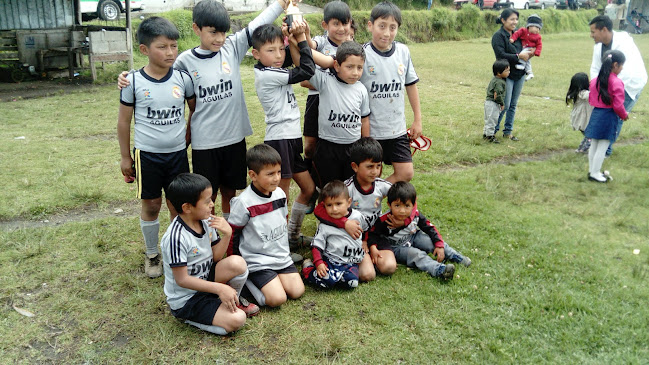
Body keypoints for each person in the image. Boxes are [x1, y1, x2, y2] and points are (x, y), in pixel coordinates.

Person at [118, 0, 292, 218]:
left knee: (231, 191)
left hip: (234, 139)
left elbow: (258, 22)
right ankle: (208, 234)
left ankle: (230, 231)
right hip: (204, 144)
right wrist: (128, 77)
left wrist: (281, 4)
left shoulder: (232, 47)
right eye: (212, 32)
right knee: (207, 194)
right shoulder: (184, 61)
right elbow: (157, 70)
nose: (219, 38)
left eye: (223, 32)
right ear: (196, 29)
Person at [117, 17, 196, 278]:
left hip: (177, 155)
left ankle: (177, 254)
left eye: (173, 46)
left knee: (178, 206)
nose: (170, 52)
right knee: (151, 205)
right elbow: (123, 121)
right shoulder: (133, 82)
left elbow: (194, 112)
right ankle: (152, 254)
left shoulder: (183, 79)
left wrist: (185, 137)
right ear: (144, 50)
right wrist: (125, 157)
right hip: (147, 156)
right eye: (162, 47)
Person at [161, 173, 258, 336]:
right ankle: (185, 316)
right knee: (238, 320)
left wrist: (227, 234)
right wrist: (219, 287)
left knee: (237, 263)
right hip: (187, 299)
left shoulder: (207, 221)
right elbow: (182, 280)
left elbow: (215, 258)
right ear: (187, 207)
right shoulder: (175, 238)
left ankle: (230, 301)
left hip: (205, 281)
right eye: (207, 202)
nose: (212, 204)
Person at [251, 22, 316, 249]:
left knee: (308, 189)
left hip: (290, 138)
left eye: (281, 48)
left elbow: (291, 59)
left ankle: (292, 236)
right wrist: (301, 39)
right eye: (271, 50)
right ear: (256, 54)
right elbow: (307, 70)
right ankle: (280, 246)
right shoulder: (267, 74)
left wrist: (291, 35)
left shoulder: (271, 66)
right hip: (279, 139)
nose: (279, 55)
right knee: (282, 196)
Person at [228, 144, 305, 307]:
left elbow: (283, 220)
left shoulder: (280, 194)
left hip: (281, 257)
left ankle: (273, 281)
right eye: (270, 174)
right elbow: (233, 235)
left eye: (278, 172)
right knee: (277, 299)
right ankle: (246, 281)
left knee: (297, 291)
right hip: (258, 261)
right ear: (253, 175)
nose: (277, 178)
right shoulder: (243, 203)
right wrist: (237, 265)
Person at [313, 137, 394, 281]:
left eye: (378, 166)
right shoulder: (346, 188)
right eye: (369, 166)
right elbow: (319, 210)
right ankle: (364, 259)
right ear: (355, 166)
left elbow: (407, 197)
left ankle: (371, 254)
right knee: (366, 275)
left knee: (388, 267)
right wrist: (344, 223)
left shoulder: (382, 186)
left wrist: (405, 218)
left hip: (374, 234)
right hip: (353, 236)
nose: (375, 171)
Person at [360, 1, 422, 183]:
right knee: (371, 176)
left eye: (392, 27)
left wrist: (417, 120)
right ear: (370, 25)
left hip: (397, 129)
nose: (387, 33)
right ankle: (370, 208)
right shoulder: (362, 54)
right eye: (382, 26)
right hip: (371, 131)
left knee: (405, 173)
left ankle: (376, 198)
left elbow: (411, 85)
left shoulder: (403, 51)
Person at [367, 182, 472, 280]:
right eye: (397, 205)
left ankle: (456, 256)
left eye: (407, 206)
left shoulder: (415, 214)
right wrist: (373, 248)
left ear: (413, 205)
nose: (402, 211)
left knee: (429, 242)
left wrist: (439, 245)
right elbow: (372, 234)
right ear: (389, 205)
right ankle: (440, 270)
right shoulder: (384, 220)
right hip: (397, 247)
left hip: (413, 236)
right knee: (417, 254)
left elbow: (429, 228)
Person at [304, 41, 370, 188]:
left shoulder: (361, 90)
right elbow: (305, 64)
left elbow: (364, 119)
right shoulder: (325, 81)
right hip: (327, 147)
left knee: (350, 188)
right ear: (337, 65)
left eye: (359, 67)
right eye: (349, 67)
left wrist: (365, 145)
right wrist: (301, 42)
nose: (355, 72)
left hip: (352, 148)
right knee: (327, 189)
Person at [301, 1, 353, 165]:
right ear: (325, 25)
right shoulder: (322, 41)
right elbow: (310, 46)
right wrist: (306, 34)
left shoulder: (351, 47)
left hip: (339, 102)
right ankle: (310, 181)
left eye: (344, 23)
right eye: (335, 23)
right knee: (309, 146)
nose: (341, 28)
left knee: (329, 144)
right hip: (316, 98)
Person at [589, 15, 647, 156]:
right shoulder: (598, 47)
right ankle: (593, 145)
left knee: (615, 115)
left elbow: (627, 72)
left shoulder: (624, 43)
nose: (591, 35)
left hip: (629, 84)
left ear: (603, 30)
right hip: (609, 85)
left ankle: (605, 151)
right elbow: (595, 69)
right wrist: (597, 89)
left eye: (593, 32)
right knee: (602, 114)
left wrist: (608, 91)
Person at [302, 180, 367, 289]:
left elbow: (367, 228)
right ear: (324, 205)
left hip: (351, 263)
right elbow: (316, 246)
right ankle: (308, 269)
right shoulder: (325, 225)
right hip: (332, 261)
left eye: (338, 204)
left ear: (349, 202)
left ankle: (334, 277)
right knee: (328, 280)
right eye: (329, 205)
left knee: (352, 282)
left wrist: (365, 241)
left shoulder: (358, 216)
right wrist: (319, 263)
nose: (334, 209)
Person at [584, 50, 628, 183]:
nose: (622, 68)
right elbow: (618, 105)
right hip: (608, 117)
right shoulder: (617, 82)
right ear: (615, 65)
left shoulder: (595, 80)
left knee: (594, 144)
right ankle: (596, 173)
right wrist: (624, 115)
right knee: (603, 147)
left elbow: (591, 98)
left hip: (596, 114)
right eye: (621, 65)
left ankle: (592, 170)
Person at [491, 8, 534, 141]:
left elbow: (526, 46)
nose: (514, 22)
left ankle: (508, 131)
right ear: (503, 20)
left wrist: (531, 51)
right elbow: (500, 55)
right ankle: (492, 131)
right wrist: (518, 56)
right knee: (505, 104)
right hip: (506, 73)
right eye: (511, 19)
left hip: (520, 73)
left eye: (516, 19)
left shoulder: (520, 34)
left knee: (513, 104)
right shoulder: (498, 36)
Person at [509, 14, 543, 81]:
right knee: (527, 60)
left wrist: (537, 52)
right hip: (523, 47)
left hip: (529, 48)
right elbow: (517, 34)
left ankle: (521, 65)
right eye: (536, 27)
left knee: (524, 54)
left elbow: (539, 45)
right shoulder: (523, 31)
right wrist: (513, 39)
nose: (537, 30)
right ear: (529, 26)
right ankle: (529, 72)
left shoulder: (538, 36)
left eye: (539, 29)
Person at [483, 59, 510, 144]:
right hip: (493, 104)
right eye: (506, 70)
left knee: (488, 119)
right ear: (499, 72)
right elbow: (497, 94)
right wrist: (502, 103)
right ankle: (490, 136)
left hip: (488, 103)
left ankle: (486, 134)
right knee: (493, 120)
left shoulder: (495, 79)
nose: (509, 72)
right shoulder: (499, 82)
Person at [566, 72, 593, 153]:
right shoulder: (583, 93)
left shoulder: (574, 93)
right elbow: (592, 95)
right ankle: (584, 149)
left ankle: (580, 148)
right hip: (584, 119)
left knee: (587, 135)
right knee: (590, 136)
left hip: (578, 118)